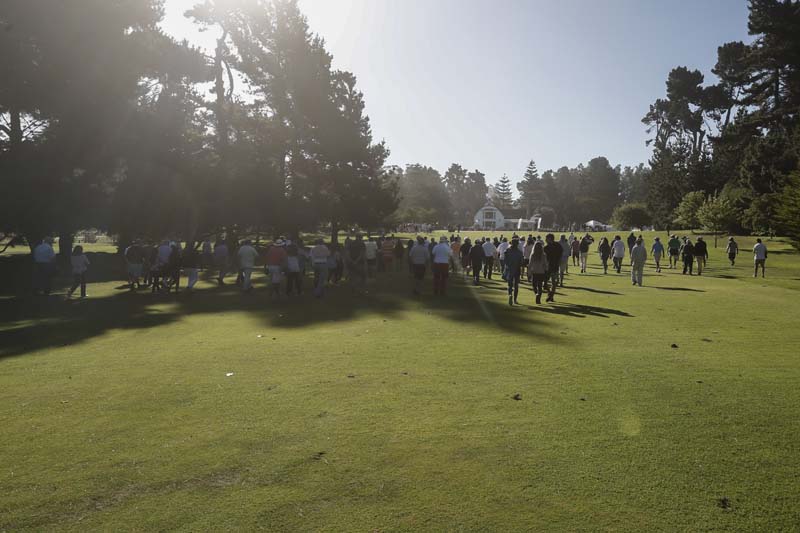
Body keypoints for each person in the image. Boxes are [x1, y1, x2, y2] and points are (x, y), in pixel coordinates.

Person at [504, 237, 524, 305]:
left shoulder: (507, 251)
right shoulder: (519, 252)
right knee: (516, 285)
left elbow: (505, 260)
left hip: (509, 269)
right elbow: (521, 262)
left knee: (510, 284)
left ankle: (510, 294)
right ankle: (515, 299)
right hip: (517, 269)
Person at [543, 234, 562, 303]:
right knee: (545, 284)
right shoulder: (546, 247)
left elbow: (560, 255)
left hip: (553, 267)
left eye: (546, 238)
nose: (545, 240)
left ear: (550, 239)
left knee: (553, 282)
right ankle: (550, 294)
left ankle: (551, 295)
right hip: (549, 267)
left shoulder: (556, 246)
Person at [528, 240, 548, 304]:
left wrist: (529, 272)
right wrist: (546, 271)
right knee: (540, 286)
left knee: (534, 285)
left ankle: (536, 293)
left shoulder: (533, 255)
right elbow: (545, 264)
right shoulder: (543, 255)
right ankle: (539, 296)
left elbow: (530, 264)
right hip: (541, 272)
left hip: (534, 271)